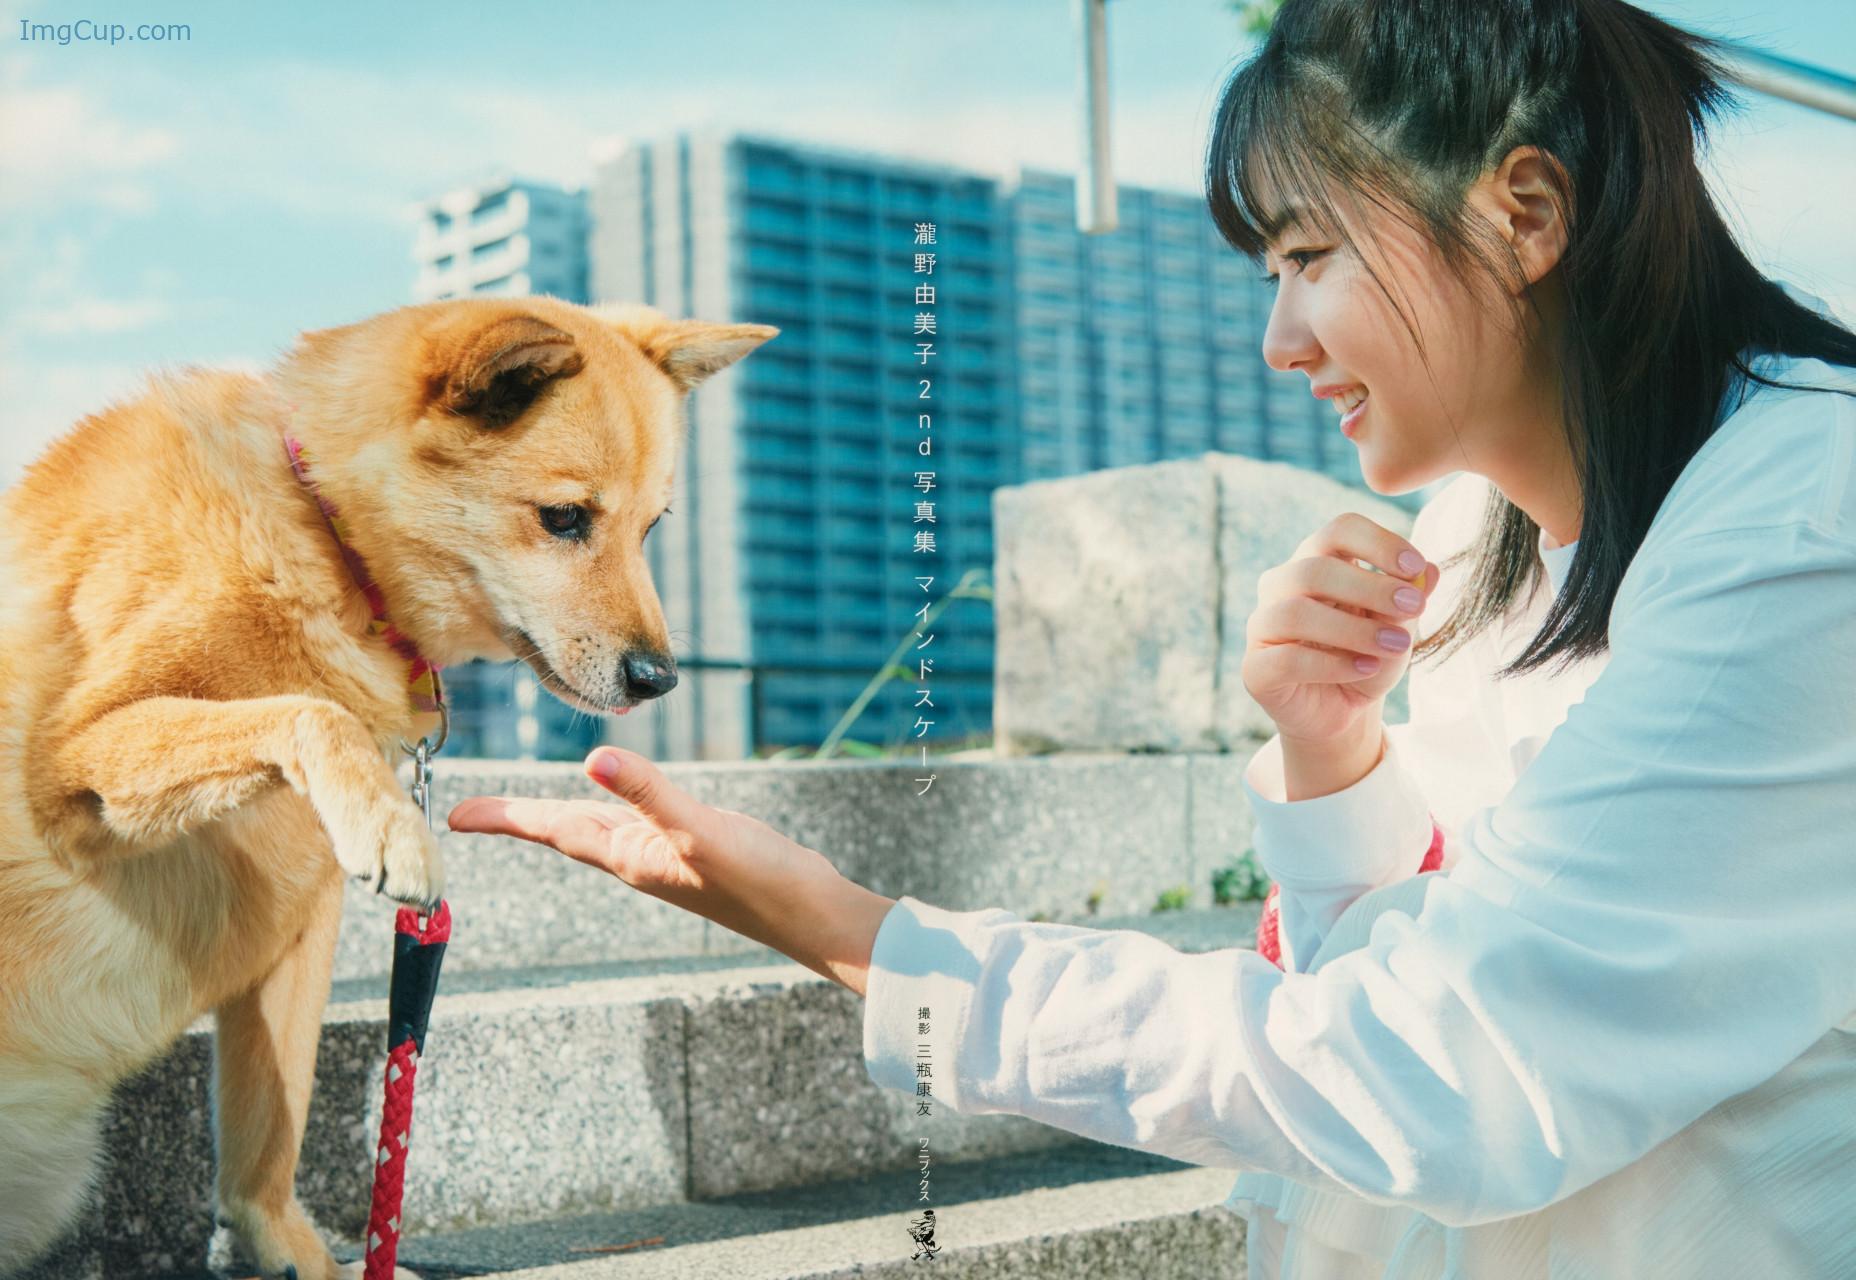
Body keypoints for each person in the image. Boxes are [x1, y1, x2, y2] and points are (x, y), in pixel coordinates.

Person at [446, 0, 1856, 1274]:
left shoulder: (1801, 537)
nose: (1281, 341)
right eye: (1267, 275)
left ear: (1525, 211)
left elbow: (1441, 1081)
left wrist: (861, 935)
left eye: (1311, 255)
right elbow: (1396, 981)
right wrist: (1334, 756)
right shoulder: (1476, 534)